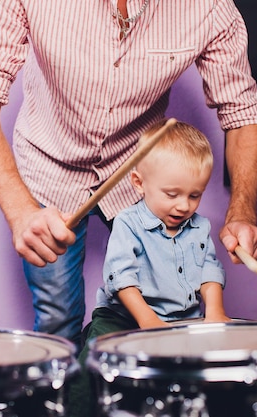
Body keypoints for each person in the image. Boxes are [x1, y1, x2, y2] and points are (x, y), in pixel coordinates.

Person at [0, 0, 257, 349]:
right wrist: (20, 212)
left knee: (165, 313)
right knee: (57, 321)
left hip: (140, 177)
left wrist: (242, 213)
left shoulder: (209, 6)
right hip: (48, 166)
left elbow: (242, 114)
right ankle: (67, 402)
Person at [67, 119, 230, 417]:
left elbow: (209, 269)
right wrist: (147, 320)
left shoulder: (200, 227)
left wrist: (215, 311)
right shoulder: (128, 223)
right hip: (124, 317)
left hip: (181, 319)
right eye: (172, 194)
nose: (184, 206)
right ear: (139, 183)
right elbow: (122, 278)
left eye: (195, 195)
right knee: (90, 366)